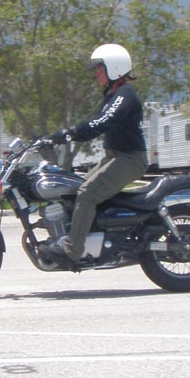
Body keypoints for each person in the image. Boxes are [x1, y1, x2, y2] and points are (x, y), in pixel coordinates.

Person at [39, 43, 149, 264]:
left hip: (130, 158)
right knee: (74, 188)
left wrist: (69, 133)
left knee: (87, 193)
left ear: (114, 68)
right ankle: (86, 238)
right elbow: (99, 122)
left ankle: (72, 251)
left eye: (100, 69)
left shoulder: (125, 94)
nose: (96, 74)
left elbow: (102, 122)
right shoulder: (113, 95)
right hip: (115, 156)